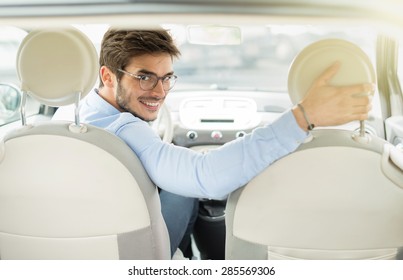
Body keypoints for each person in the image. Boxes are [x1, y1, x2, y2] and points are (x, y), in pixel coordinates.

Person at [53, 27, 373, 258]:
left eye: (166, 78)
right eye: (144, 77)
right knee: (183, 188)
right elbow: (205, 178)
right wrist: (303, 116)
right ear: (108, 77)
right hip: (128, 257)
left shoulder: (60, 118)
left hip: (68, 247)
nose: (160, 92)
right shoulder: (125, 129)